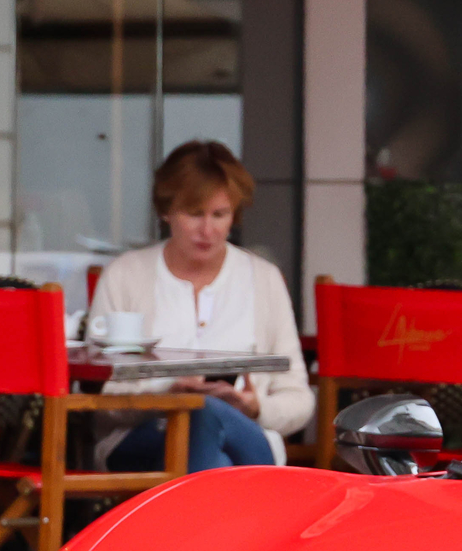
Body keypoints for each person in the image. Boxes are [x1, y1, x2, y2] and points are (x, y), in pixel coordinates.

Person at [85, 141, 310, 472]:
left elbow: (299, 400)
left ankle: (181, 522)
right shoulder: (125, 274)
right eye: (194, 214)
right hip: (143, 438)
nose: (208, 230)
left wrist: (254, 406)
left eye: (220, 215)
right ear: (165, 211)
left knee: (208, 415)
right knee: (209, 435)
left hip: (244, 436)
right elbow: (101, 397)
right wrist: (167, 393)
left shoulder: (264, 279)